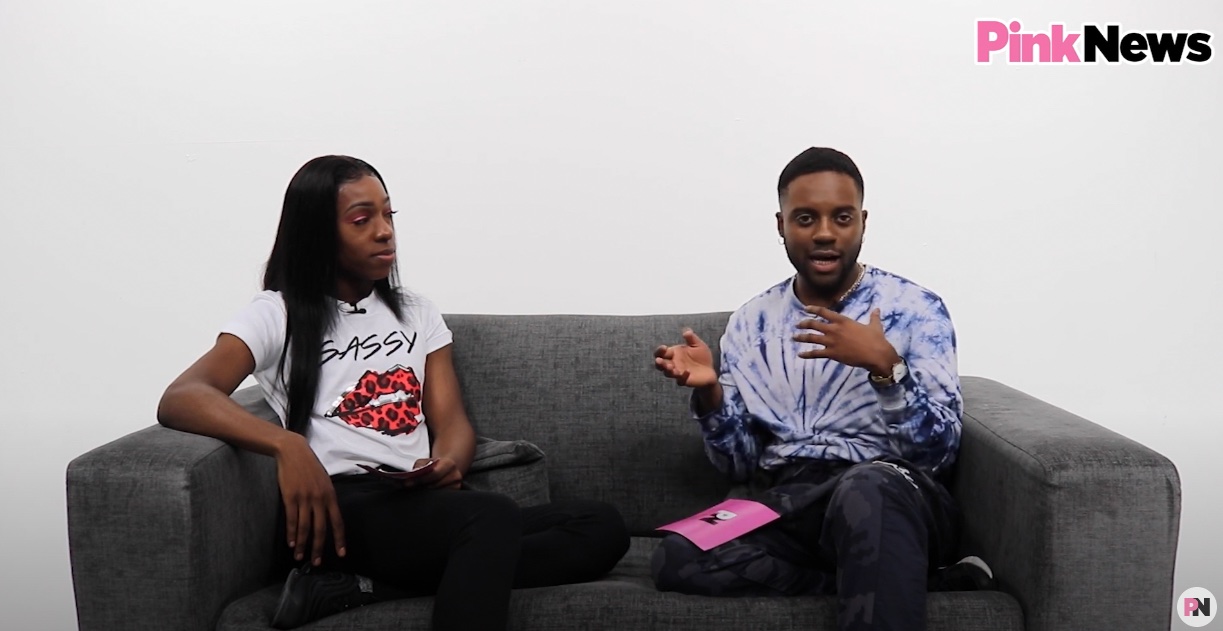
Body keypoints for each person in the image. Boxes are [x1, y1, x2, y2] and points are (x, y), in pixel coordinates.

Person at [157, 155, 629, 631]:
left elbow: (453, 424)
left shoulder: (416, 312)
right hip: (341, 507)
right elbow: (183, 395)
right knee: (490, 519)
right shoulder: (276, 314)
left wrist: (446, 462)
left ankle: (363, 590)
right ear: (317, 233)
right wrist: (286, 444)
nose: (384, 232)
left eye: (388, 215)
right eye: (362, 220)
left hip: (416, 504)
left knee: (601, 526)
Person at [649, 147, 993, 630]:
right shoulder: (751, 321)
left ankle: (885, 570)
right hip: (790, 499)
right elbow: (739, 464)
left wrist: (885, 368)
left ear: (863, 222)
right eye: (806, 218)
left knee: (865, 486)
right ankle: (903, 583)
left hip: (892, 491)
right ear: (781, 224)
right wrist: (711, 396)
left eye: (842, 217)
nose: (825, 233)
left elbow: (937, 456)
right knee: (678, 554)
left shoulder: (914, 308)